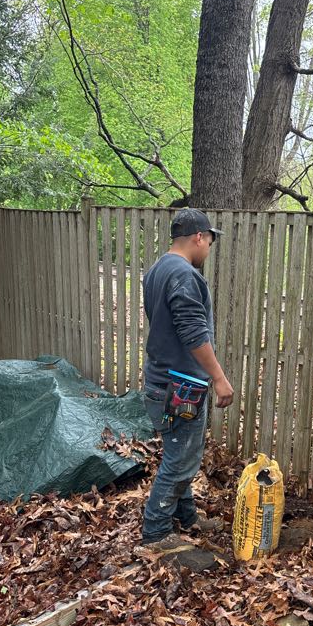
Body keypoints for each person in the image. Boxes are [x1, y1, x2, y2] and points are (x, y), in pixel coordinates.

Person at [139, 208, 234, 549]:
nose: (209, 247)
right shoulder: (185, 275)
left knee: (180, 451)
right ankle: (156, 533)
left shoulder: (157, 270)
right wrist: (219, 379)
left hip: (160, 379)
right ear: (198, 237)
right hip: (180, 386)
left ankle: (187, 516)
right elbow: (193, 332)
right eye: (209, 240)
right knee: (180, 459)